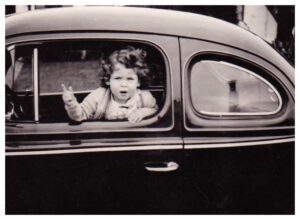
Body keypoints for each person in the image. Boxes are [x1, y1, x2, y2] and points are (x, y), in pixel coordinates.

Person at [62, 46, 158, 124]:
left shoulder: (143, 97)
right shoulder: (99, 96)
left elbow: (155, 110)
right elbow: (80, 115)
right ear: (108, 79)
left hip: (133, 139)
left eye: (130, 79)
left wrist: (142, 112)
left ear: (138, 82)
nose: (123, 84)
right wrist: (72, 105)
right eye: (118, 78)